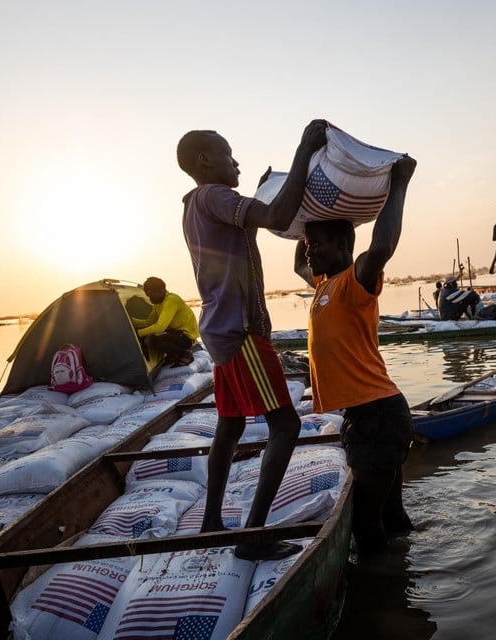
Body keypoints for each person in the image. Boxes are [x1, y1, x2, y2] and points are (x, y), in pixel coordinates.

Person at [177, 119, 328, 561]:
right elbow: (278, 218)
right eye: (227, 153)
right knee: (286, 425)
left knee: (231, 424)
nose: (236, 160)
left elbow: (260, 213)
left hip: (220, 331)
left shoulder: (196, 203)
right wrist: (304, 150)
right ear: (205, 160)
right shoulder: (215, 196)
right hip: (242, 333)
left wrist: (263, 195)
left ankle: (210, 521)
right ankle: (252, 534)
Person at [294, 156, 417, 557]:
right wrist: (294, 203)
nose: (311, 252)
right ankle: (407, 573)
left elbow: (382, 245)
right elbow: (298, 260)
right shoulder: (324, 286)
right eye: (310, 244)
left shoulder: (355, 282)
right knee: (391, 518)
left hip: (377, 415)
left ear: (345, 246)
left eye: (319, 245)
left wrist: (399, 183)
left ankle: (386, 601)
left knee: (367, 526)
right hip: (369, 414)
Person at [129, 277, 200, 367]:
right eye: (147, 295)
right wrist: (130, 321)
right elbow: (149, 322)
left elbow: (160, 326)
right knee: (150, 335)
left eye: (151, 295)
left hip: (186, 337)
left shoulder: (171, 300)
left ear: (161, 291)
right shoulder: (158, 303)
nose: (149, 298)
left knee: (152, 339)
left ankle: (185, 355)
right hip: (175, 334)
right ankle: (173, 356)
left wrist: (137, 334)